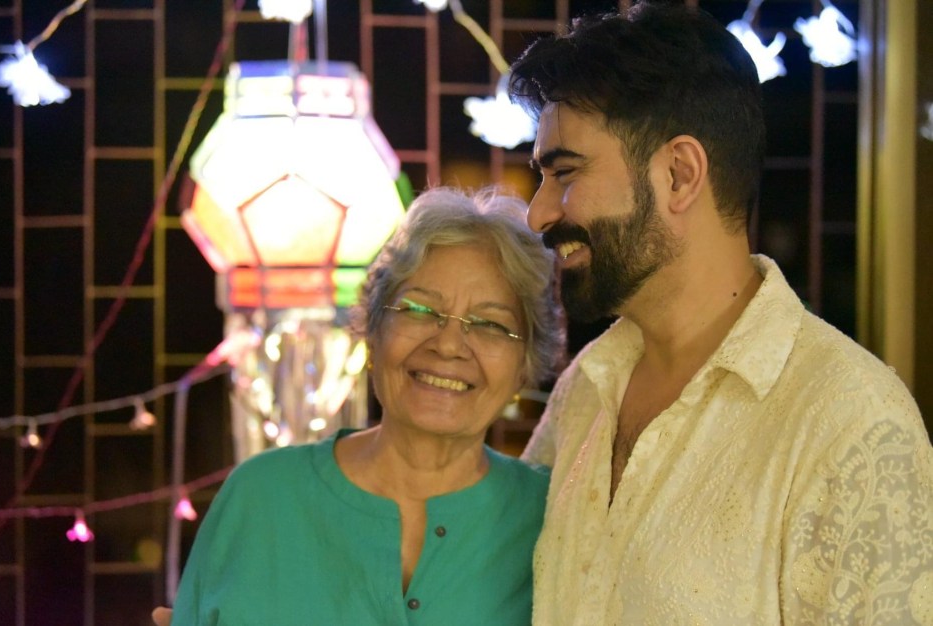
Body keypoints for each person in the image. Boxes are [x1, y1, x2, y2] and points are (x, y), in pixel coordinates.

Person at [507, 1, 933, 624]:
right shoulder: (590, 383)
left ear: (679, 175)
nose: (538, 213)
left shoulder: (850, 420)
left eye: (565, 173)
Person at [157, 186, 565, 625]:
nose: (448, 345)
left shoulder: (555, 518)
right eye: (419, 310)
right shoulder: (261, 498)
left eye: (489, 324)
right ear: (372, 330)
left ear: (525, 365)